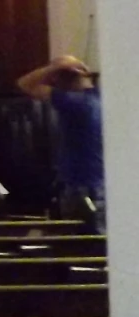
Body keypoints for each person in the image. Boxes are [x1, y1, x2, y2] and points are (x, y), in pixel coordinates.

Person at [18, 55, 105, 221]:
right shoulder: (99, 98)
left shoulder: (73, 102)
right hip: (99, 183)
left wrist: (53, 68)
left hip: (80, 185)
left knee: (77, 240)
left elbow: (24, 84)